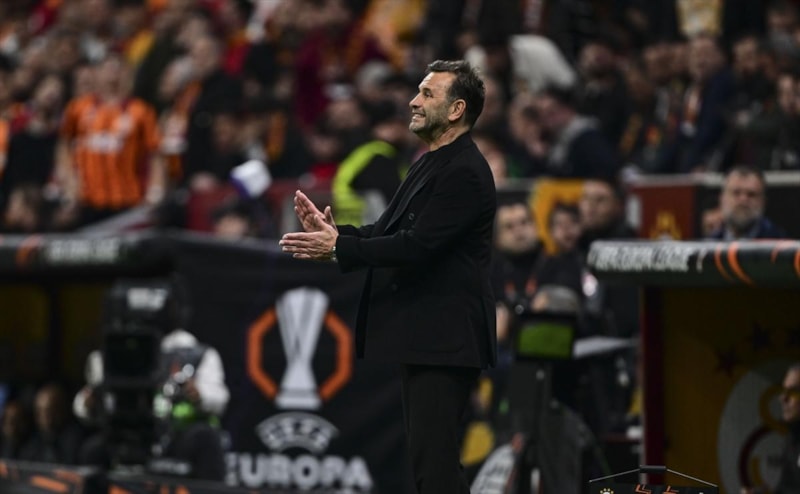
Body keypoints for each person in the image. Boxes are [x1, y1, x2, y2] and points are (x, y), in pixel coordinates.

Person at [280, 59, 496, 494]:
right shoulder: (429, 163)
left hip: (446, 341)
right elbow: (387, 230)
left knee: (435, 467)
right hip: (425, 337)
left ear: (456, 110)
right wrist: (336, 234)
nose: (414, 101)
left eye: (427, 94)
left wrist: (338, 249)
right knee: (426, 463)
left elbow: (416, 247)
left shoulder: (465, 171)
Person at [743, 364, 800, 493]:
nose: (783, 398)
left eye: (793, 391)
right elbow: (787, 488)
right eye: (783, 391)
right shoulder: (792, 440)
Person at [708, 165, 787, 240]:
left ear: (763, 201)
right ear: (721, 198)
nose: (743, 200)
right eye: (736, 193)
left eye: (751, 194)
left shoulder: (780, 243)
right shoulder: (709, 244)